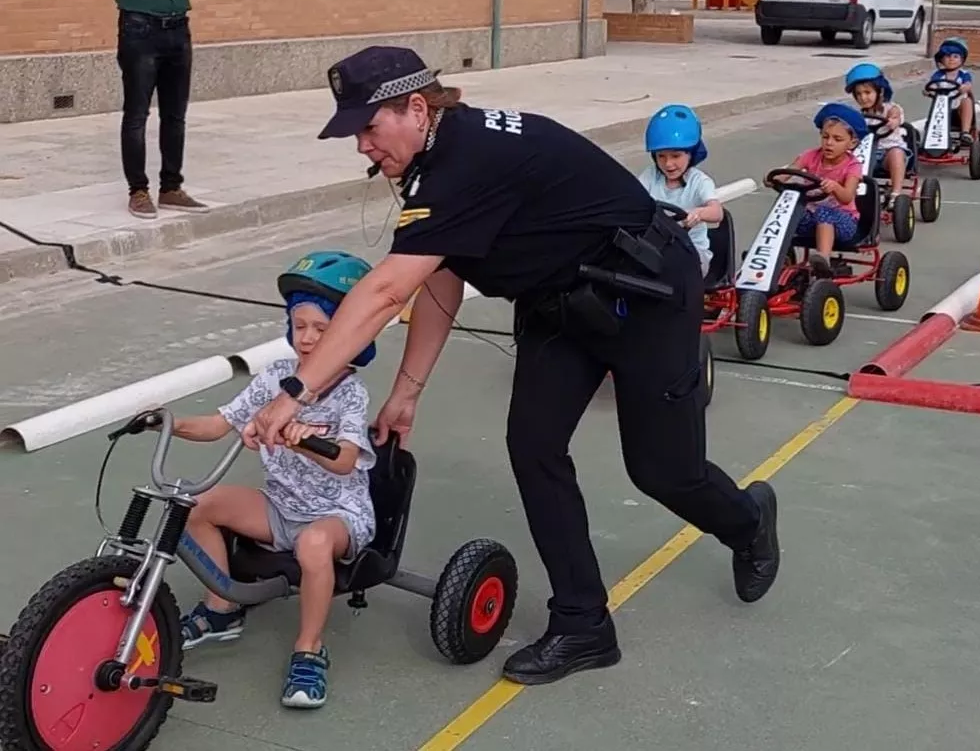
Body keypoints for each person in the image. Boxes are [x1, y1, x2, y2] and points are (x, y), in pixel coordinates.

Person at [240, 45, 782, 687]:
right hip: (561, 304)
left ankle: (748, 522)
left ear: (416, 108)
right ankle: (584, 624)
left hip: (646, 294)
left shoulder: (464, 162)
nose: (362, 145)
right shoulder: (432, 159)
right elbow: (441, 275)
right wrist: (409, 390)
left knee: (662, 470)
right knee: (534, 447)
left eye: (368, 126)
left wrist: (295, 393)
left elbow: (386, 292)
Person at [170, 251, 378, 709]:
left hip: (336, 515)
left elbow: (345, 461)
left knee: (314, 546)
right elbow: (218, 424)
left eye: (322, 329)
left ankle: (309, 649)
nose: (307, 338)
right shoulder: (275, 379)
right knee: (195, 505)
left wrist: (303, 440)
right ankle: (221, 609)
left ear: (348, 335)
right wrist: (166, 421)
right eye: (299, 325)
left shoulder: (350, 393)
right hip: (280, 506)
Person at [111, 0, 209, 220]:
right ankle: (138, 190)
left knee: (175, 115)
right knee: (137, 114)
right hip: (140, 29)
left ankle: (171, 187)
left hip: (177, 29)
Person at [767, 103, 865, 277]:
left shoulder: (853, 166)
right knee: (787, 209)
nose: (829, 143)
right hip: (811, 219)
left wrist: (835, 187)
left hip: (843, 222)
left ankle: (823, 260)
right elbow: (791, 170)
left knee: (824, 212)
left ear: (852, 143)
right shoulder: (811, 156)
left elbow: (847, 197)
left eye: (837, 139)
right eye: (825, 137)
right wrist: (773, 179)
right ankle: (772, 254)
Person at [638, 104, 723, 277]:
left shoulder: (699, 181)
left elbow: (717, 212)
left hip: (693, 253)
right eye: (661, 156)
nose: (668, 164)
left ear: (691, 154)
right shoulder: (650, 176)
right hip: (656, 249)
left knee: (671, 271)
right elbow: (634, 198)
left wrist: (698, 213)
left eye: (675, 156)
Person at [845, 63, 909, 207]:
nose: (863, 97)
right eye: (859, 94)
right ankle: (847, 192)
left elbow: (896, 115)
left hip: (887, 153)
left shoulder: (890, 108)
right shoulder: (858, 116)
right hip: (864, 155)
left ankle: (896, 193)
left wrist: (893, 121)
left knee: (896, 153)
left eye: (867, 93)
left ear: (879, 91)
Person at [926, 36, 975, 147]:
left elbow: (968, 84)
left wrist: (965, 87)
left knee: (967, 101)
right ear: (941, 59)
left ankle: (965, 132)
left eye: (955, 56)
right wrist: (928, 91)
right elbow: (931, 85)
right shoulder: (938, 75)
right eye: (948, 56)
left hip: (958, 105)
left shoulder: (963, 74)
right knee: (935, 104)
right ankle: (930, 134)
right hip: (941, 106)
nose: (951, 59)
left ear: (962, 59)